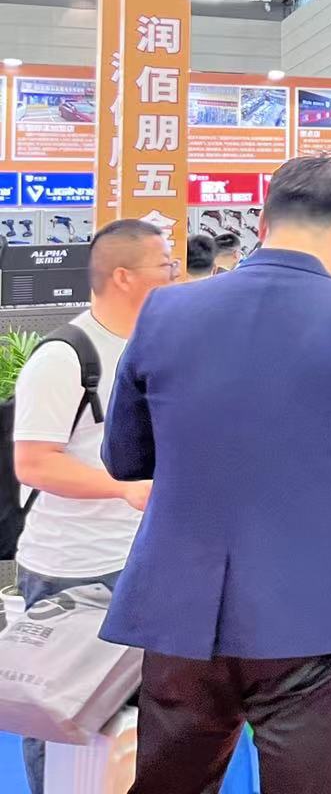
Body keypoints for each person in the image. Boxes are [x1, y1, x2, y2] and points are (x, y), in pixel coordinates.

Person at [100, 154, 331, 794]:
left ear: (262, 223)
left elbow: (125, 459)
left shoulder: (166, 311)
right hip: (316, 611)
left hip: (182, 608)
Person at [11, 219, 174, 794]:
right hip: (72, 569)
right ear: (124, 276)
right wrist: (122, 488)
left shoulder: (155, 346)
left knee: (142, 716)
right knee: (61, 718)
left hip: (144, 561)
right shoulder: (65, 356)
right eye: (164, 264)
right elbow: (34, 463)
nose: (174, 274)